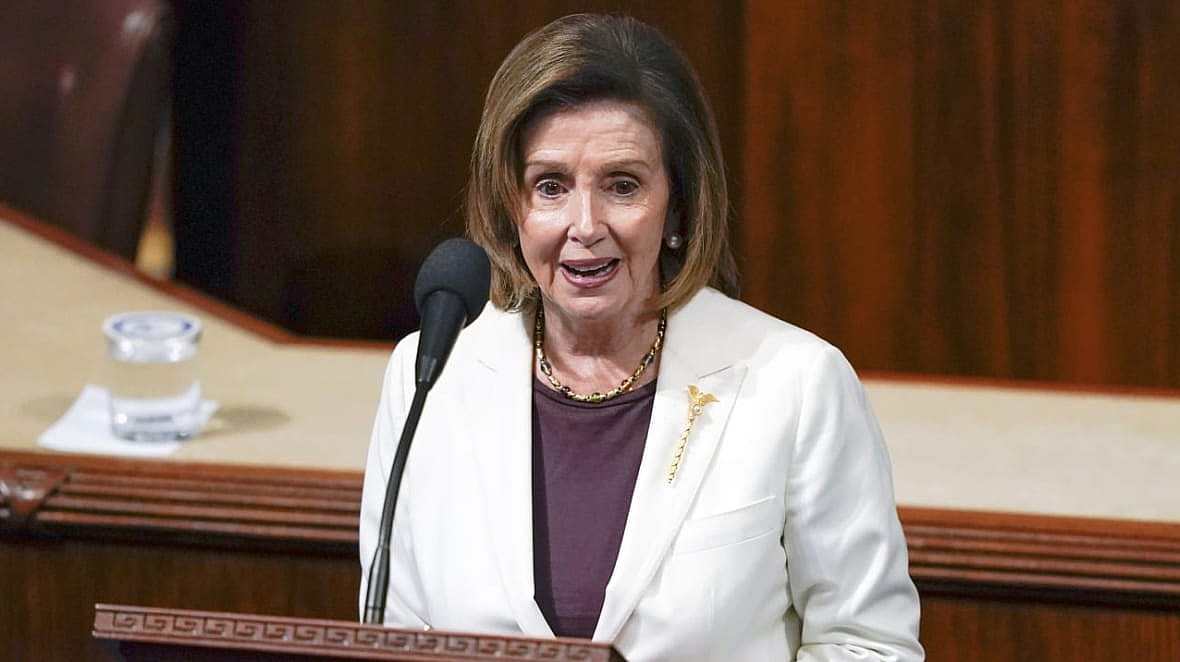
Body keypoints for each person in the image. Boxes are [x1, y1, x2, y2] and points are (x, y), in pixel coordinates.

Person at [359, 13, 923, 661]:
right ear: (511, 207)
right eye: (550, 186)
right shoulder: (429, 376)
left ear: (678, 206)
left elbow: (868, 645)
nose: (585, 224)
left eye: (622, 185)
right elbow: (394, 638)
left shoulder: (796, 384)